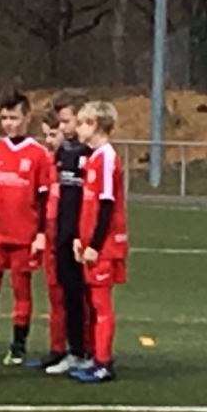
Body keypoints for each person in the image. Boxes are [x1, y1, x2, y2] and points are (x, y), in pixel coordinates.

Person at [0, 89, 52, 366]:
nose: (9, 124)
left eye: (14, 118)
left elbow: (43, 198)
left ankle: (17, 347)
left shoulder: (39, 155)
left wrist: (41, 234)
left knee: (21, 290)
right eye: (5, 118)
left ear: (27, 118)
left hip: (24, 234)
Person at [71, 101, 128, 383]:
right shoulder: (94, 158)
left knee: (101, 303)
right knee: (93, 303)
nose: (78, 129)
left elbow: (106, 204)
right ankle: (96, 357)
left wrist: (94, 244)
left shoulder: (106, 157)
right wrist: (80, 239)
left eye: (83, 123)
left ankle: (104, 362)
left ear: (96, 125)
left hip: (105, 246)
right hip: (91, 243)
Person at [46, 89, 93, 375]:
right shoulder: (64, 151)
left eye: (66, 121)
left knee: (85, 296)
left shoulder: (91, 153)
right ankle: (74, 350)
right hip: (64, 231)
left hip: (82, 233)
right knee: (69, 293)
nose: (62, 127)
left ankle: (90, 351)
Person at [28, 109, 70, 369]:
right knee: (54, 294)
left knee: (70, 295)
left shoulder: (73, 163)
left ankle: (78, 349)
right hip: (51, 234)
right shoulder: (48, 161)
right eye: (46, 135)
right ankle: (57, 348)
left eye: (53, 134)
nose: (49, 141)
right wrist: (41, 232)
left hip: (66, 234)